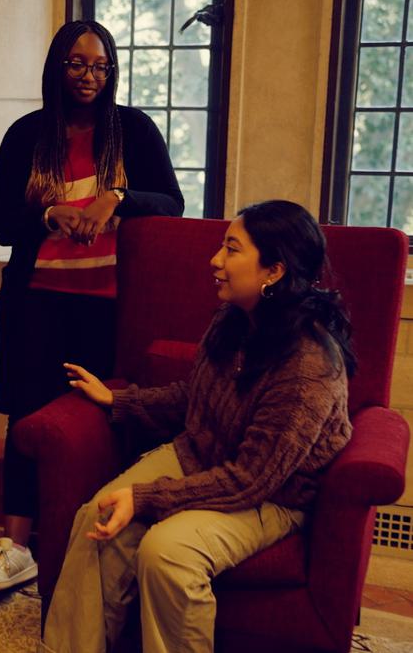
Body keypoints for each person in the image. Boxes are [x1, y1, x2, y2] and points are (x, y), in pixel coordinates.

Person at [40, 200, 355, 653]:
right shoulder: (234, 321)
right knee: (98, 516)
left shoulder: (306, 366)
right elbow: (198, 397)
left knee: (166, 553)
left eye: (231, 249)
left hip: (270, 494)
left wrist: (147, 498)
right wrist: (119, 400)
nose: (215, 260)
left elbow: (251, 478)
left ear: (274, 271)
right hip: (203, 459)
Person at [0, 19, 184, 591]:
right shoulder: (26, 135)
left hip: (109, 308)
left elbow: (172, 201)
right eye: (77, 64)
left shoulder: (133, 131)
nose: (89, 76)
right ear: (56, 67)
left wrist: (114, 198)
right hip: (36, 304)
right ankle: (16, 546)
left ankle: (88, 540)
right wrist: (50, 214)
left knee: (99, 420)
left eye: (100, 66)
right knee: (26, 419)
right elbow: (1, 224)